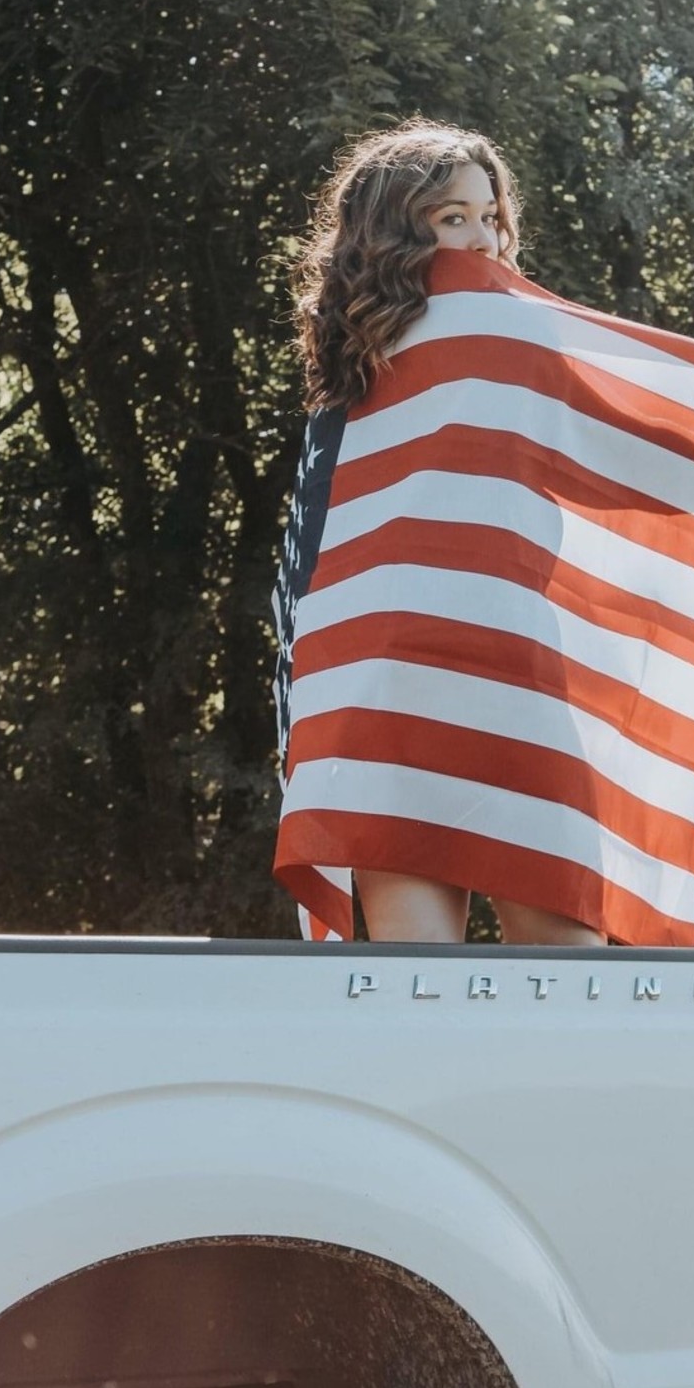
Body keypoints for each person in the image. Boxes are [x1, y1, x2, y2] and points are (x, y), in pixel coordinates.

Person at [276, 115, 607, 947]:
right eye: (453, 218)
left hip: (390, 674)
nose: (484, 241)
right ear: (395, 232)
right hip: (484, 667)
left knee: (421, 985)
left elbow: (307, 574)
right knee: (569, 981)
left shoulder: (348, 371)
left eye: (491, 217)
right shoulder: (514, 333)